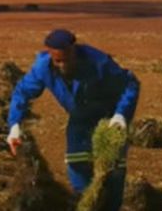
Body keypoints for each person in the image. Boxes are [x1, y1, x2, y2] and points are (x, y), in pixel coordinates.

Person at [7, 29, 139, 210]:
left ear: (74, 50)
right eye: (57, 61)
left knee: (113, 172)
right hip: (79, 118)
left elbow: (130, 84)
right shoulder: (43, 67)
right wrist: (14, 125)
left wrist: (121, 115)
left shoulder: (98, 62)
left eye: (66, 60)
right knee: (77, 165)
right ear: (50, 54)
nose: (62, 65)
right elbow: (22, 92)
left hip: (109, 120)